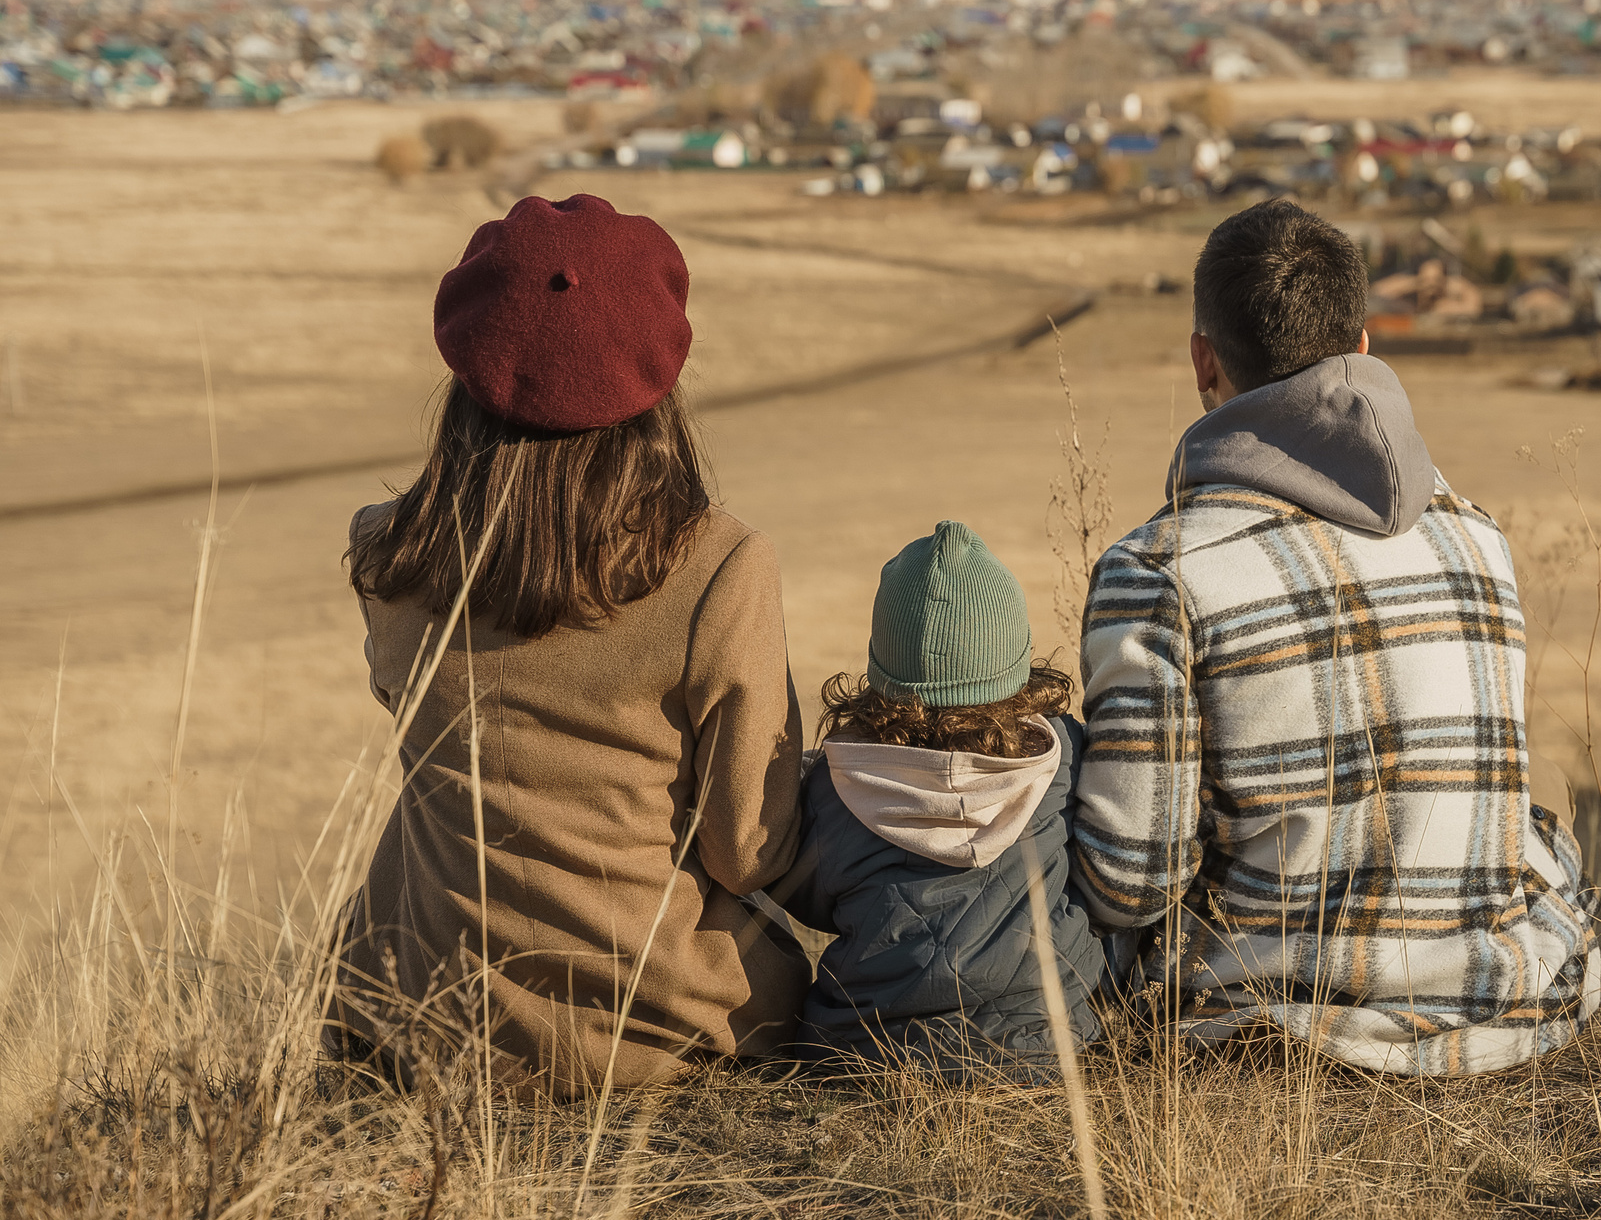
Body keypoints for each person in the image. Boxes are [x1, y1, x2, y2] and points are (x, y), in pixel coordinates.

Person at [1071, 198, 1600, 1076]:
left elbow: (1130, 885)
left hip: (1255, 1021)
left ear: (1205, 361)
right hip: (1495, 1002)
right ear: (1362, 348)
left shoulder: (1157, 570)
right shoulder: (1477, 536)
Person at [332, 193, 806, 1095]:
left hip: (417, 1014)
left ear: (468, 370)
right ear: (657, 378)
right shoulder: (722, 566)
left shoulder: (385, 554)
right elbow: (750, 848)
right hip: (650, 1030)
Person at [776, 521, 1109, 1072]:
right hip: (1046, 1044)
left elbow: (806, 896)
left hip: (867, 1051)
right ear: (1015, 661)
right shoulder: (1064, 758)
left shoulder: (835, 789)